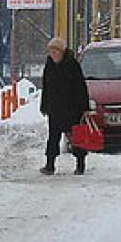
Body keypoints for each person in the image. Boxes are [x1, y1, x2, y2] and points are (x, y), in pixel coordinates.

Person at [39, 37, 91, 175]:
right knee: (53, 137)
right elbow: (46, 87)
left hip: (73, 108)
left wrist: (85, 108)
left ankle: (80, 164)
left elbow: (81, 87)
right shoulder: (49, 65)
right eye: (51, 51)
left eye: (55, 50)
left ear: (62, 51)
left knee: (76, 136)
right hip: (55, 108)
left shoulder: (72, 64)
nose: (53, 53)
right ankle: (50, 165)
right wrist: (44, 105)